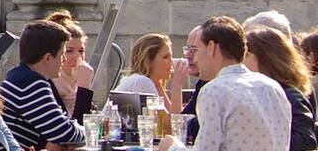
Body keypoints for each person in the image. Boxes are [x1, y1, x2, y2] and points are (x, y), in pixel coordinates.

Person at [159, 17, 292, 151]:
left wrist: (172, 147)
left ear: (212, 47)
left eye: (196, 50)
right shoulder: (273, 87)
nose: (195, 58)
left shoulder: (214, 91)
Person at [1, 19, 85, 150]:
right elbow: (65, 133)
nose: (64, 60)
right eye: (62, 54)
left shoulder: (19, 78)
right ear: (48, 58)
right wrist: (91, 132)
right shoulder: (31, 84)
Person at [244, 28, 315, 151]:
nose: (241, 62)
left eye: (247, 55)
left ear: (266, 58)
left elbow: (306, 139)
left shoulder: (289, 95)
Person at [115, 33, 189, 114]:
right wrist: (177, 86)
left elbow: (172, 115)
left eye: (171, 57)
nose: (171, 61)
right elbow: (171, 123)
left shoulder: (155, 83)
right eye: (165, 57)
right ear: (149, 61)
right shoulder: (142, 81)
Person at [42, 11, 95, 120]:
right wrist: (84, 89)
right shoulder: (48, 84)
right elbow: (75, 126)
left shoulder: (78, 80)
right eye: (69, 51)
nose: (77, 57)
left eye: (81, 51)